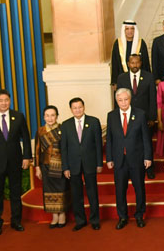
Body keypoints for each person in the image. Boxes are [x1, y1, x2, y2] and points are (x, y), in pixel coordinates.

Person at [0, 89, 32, 236]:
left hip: (15, 162)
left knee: (16, 194)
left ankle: (16, 221)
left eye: (6, 100)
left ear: (10, 101)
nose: (4, 103)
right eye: (1, 100)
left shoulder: (18, 116)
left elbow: (26, 138)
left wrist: (26, 157)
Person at [106, 88, 152, 229]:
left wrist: (148, 156)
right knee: (120, 190)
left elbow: (146, 137)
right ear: (116, 101)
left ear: (130, 99)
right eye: (120, 100)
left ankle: (139, 216)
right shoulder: (111, 115)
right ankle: (122, 217)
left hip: (136, 158)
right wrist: (109, 158)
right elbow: (109, 139)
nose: (123, 102)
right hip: (119, 159)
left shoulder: (140, 114)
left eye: (126, 99)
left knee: (139, 189)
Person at [61, 97, 103, 231]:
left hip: (90, 163)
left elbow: (98, 144)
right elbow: (64, 148)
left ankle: (95, 220)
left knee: (92, 193)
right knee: (76, 194)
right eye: (75, 108)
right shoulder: (66, 125)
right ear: (71, 109)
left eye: (80, 107)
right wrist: (65, 167)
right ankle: (80, 220)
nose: (77, 110)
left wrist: (99, 163)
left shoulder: (94, 122)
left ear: (84, 107)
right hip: (73, 165)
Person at [116, 54, 157, 179]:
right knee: (130, 141)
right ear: (128, 63)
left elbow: (152, 98)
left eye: (137, 62)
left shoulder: (149, 76)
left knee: (146, 142)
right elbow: (118, 97)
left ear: (141, 63)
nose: (135, 65)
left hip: (145, 117)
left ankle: (149, 168)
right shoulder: (121, 78)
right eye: (132, 63)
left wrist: (152, 117)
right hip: (127, 115)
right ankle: (130, 167)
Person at [34, 105, 70, 229]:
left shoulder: (63, 129)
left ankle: (62, 215)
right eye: (47, 115)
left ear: (57, 116)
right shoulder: (40, 131)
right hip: (45, 165)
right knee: (49, 191)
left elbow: (67, 148)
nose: (50, 118)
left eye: (53, 115)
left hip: (60, 165)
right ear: (44, 117)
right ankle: (54, 215)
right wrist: (37, 167)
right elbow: (37, 150)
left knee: (61, 190)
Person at [111, 20, 150, 88]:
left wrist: (148, 80)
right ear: (124, 30)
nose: (130, 31)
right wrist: (114, 81)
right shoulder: (117, 43)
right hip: (122, 79)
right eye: (127, 29)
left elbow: (146, 63)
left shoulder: (141, 43)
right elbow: (114, 63)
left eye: (132, 28)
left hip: (139, 79)